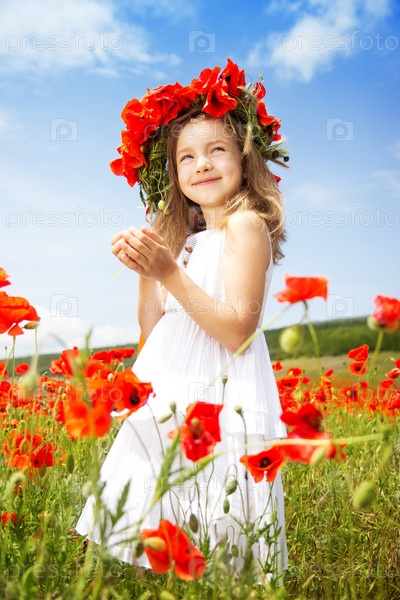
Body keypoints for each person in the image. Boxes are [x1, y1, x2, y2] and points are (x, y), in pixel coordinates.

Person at [76, 59, 289, 582]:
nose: (202, 164)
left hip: (219, 392)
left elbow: (238, 330)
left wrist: (169, 273)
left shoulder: (246, 226)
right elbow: (154, 331)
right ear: (172, 174)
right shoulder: (189, 242)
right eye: (187, 157)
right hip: (171, 390)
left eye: (217, 150)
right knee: (154, 521)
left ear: (245, 159)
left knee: (215, 521)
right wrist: (148, 270)